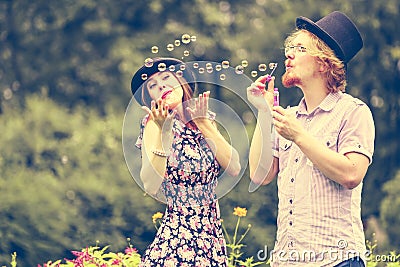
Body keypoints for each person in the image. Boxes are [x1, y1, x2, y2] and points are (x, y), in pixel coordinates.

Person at [247, 11, 375, 267]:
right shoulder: (289, 117)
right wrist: (263, 113)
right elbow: (259, 176)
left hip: (336, 260)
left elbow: (352, 174)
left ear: (324, 63)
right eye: (289, 48)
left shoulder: (353, 112)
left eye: (300, 48)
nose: (289, 54)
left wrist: (298, 135)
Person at [131, 57, 241, 266]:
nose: (160, 85)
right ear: (150, 99)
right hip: (177, 241)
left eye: (165, 78)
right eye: (152, 85)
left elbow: (234, 166)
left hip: (211, 239)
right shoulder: (153, 123)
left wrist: (203, 124)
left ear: (181, 81)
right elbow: (150, 184)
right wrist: (164, 133)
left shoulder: (202, 118)